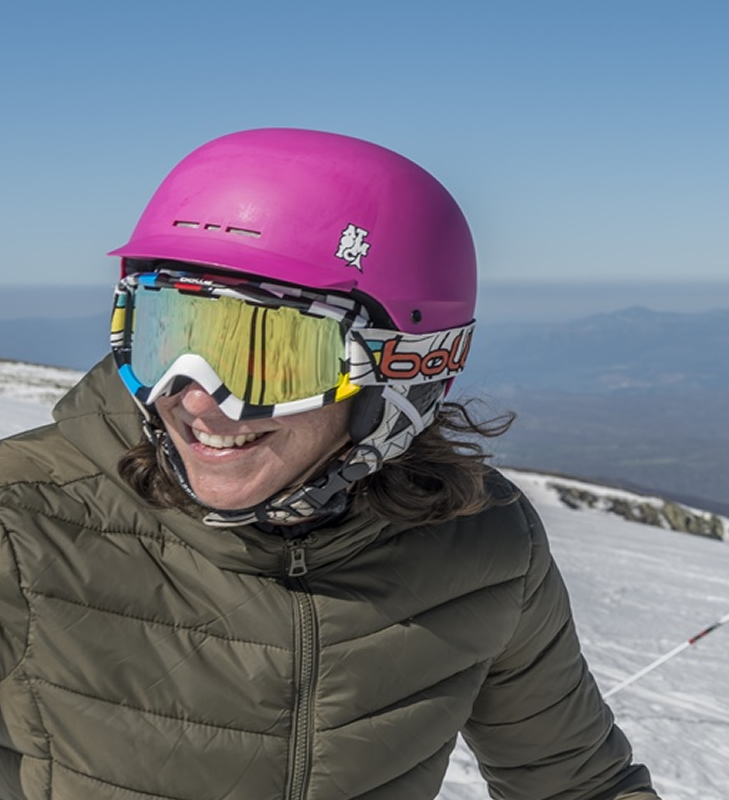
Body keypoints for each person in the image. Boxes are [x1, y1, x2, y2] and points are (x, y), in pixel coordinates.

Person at [0, 129, 660, 799]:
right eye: (166, 333)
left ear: (403, 373)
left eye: (273, 357)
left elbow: (579, 784)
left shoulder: (482, 545)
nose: (196, 399)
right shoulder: (20, 522)